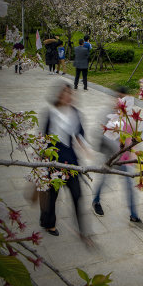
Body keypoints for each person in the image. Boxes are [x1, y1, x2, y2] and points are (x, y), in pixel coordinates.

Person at [92, 86, 143, 231]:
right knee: (104, 181)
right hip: (111, 158)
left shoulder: (131, 117)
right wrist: (117, 149)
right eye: (120, 98)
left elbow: (135, 138)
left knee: (130, 187)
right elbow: (102, 135)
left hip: (126, 159)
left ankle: (134, 216)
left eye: (125, 99)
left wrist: (134, 155)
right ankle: (96, 201)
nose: (122, 102)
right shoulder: (109, 115)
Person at [39, 82, 90, 237]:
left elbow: (80, 133)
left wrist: (86, 148)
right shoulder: (51, 113)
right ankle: (48, 223)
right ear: (59, 95)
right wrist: (43, 162)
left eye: (71, 93)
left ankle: (82, 229)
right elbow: (44, 139)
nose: (70, 96)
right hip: (55, 162)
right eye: (66, 93)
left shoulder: (75, 112)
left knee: (77, 194)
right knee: (52, 195)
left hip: (72, 161)